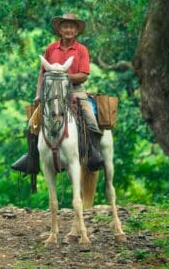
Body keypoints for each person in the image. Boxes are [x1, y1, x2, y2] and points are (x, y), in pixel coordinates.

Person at [12, 13, 104, 174]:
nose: (68, 30)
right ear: (60, 30)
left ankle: (93, 155)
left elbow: (84, 75)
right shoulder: (50, 48)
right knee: (32, 123)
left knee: (91, 120)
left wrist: (64, 76)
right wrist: (38, 94)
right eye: (65, 27)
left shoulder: (81, 50)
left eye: (72, 27)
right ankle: (31, 159)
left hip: (75, 91)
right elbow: (42, 73)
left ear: (76, 31)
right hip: (51, 92)